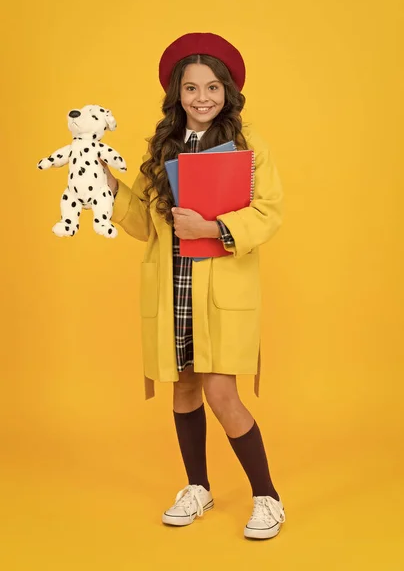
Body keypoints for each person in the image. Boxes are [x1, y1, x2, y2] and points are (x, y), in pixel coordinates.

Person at [101, 32, 286, 540]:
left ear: (228, 91)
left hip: (220, 288)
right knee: (182, 387)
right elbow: (144, 221)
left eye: (211, 87)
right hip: (173, 287)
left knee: (221, 392)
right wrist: (110, 184)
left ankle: (267, 496)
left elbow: (268, 213)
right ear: (175, 94)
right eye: (190, 88)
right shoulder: (163, 146)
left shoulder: (251, 147)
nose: (201, 98)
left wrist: (213, 229)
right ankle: (198, 486)